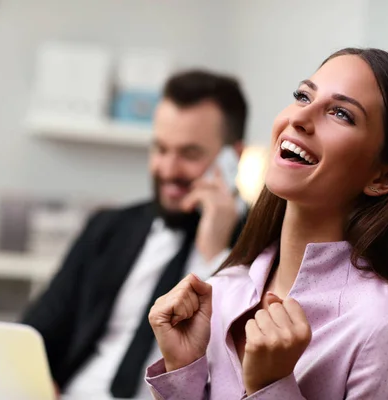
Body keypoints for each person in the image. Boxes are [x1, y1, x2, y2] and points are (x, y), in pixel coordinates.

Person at [146, 48, 388, 399]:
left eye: (341, 113)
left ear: (383, 178)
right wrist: (182, 370)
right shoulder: (221, 292)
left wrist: (272, 388)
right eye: (302, 96)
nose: (301, 117)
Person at [22, 69, 249, 399]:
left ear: (233, 157)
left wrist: (213, 255)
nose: (168, 170)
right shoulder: (109, 228)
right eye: (160, 149)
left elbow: (234, 377)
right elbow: (37, 334)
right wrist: (36, 382)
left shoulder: (263, 243)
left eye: (189, 154)